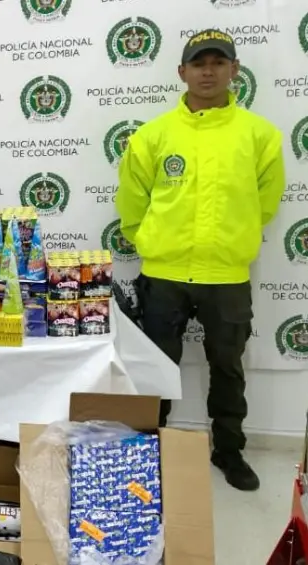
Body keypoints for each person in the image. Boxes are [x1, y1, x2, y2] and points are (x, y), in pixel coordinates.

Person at [115, 30, 285, 491]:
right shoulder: (154, 135)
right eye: (198, 63)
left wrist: (234, 240)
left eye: (218, 62)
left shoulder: (259, 135)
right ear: (182, 72)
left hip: (226, 275)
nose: (207, 71)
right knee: (156, 369)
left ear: (234, 69)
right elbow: (132, 201)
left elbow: (265, 202)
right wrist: (149, 241)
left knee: (228, 368)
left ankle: (229, 452)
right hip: (163, 274)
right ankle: (151, 449)